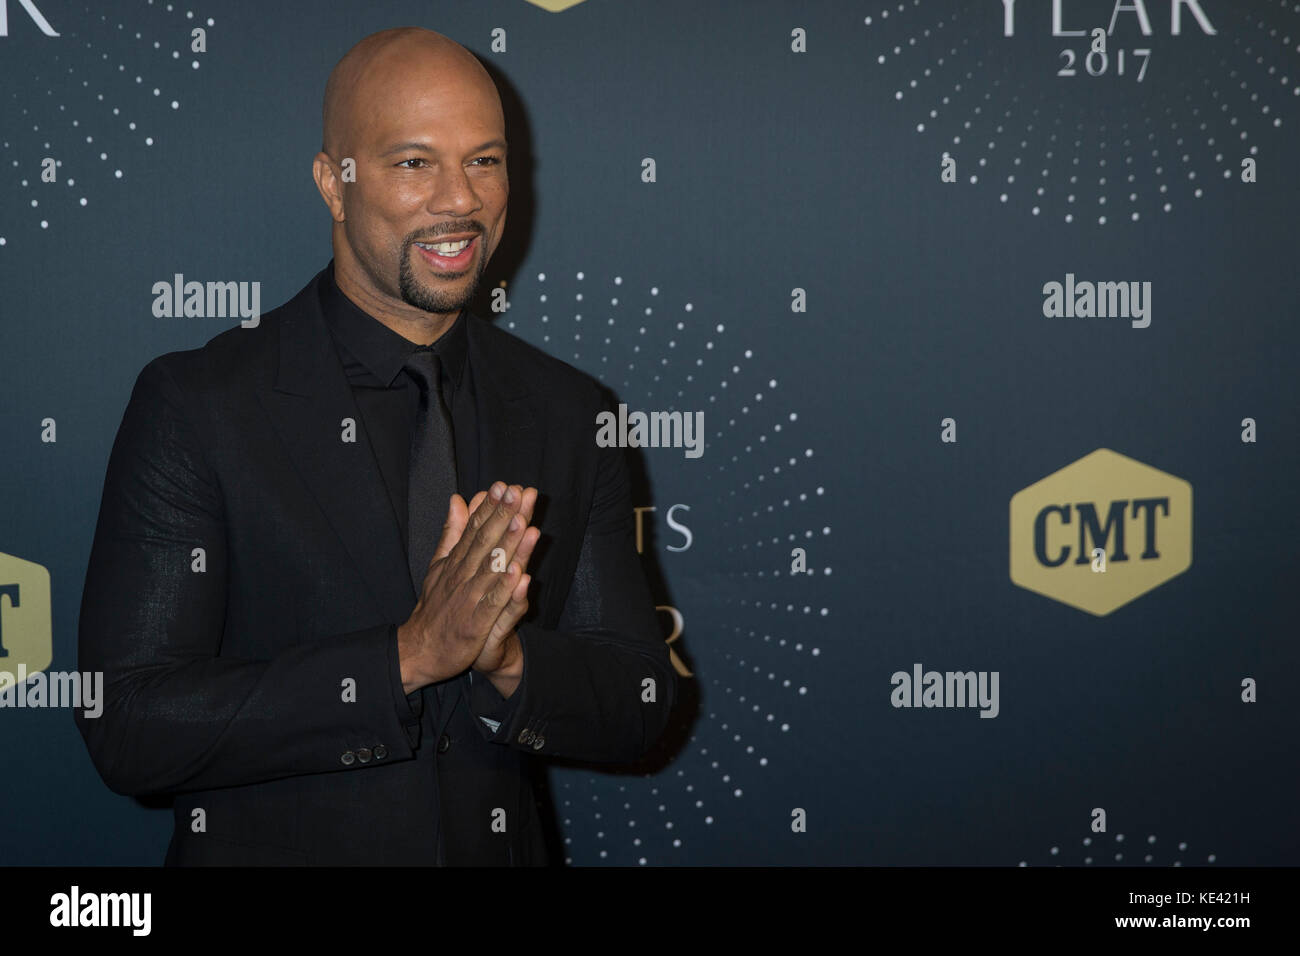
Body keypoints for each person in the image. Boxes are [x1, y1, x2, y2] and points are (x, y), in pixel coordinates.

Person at [75, 26, 676, 866]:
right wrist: (406, 659)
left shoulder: (567, 410)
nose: (459, 200)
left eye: (486, 160)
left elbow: (641, 700)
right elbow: (129, 721)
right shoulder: (200, 405)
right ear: (334, 182)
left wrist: (506, 663)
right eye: (413, 163)